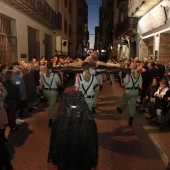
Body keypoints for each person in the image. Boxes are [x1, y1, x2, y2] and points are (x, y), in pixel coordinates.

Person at [48, 91, 98, 170]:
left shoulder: (59, 122)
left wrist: (55, 158)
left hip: (65, 162)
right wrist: (94, 160)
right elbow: (93, 144)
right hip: (83, 161)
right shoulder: (89, 122)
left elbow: (54, 143)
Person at [40, 62, 61, 127]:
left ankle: (51, 116)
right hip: (53, 92)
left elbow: (41, 86)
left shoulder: (43, 75)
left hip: (45, 92)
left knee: (50, 103)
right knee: (51, 107)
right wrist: (61, 75)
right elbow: (60, 84)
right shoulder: (55, 75)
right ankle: (50, 121)